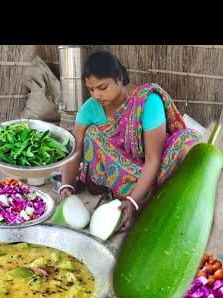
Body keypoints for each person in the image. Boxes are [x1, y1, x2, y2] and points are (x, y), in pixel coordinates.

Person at [59, 51, 201, 231]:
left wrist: (132, 202)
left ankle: (137, 196)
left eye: (102, 87)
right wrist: (66, 185)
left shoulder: (147, 101)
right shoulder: (90, 108)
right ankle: (128, 193)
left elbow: (153, 159)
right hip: (120, 172)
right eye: (91, 90)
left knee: (187, 142)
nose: (96, 95)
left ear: (119, 78)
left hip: (153, 167)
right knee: (92, 134)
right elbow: (75, 149)